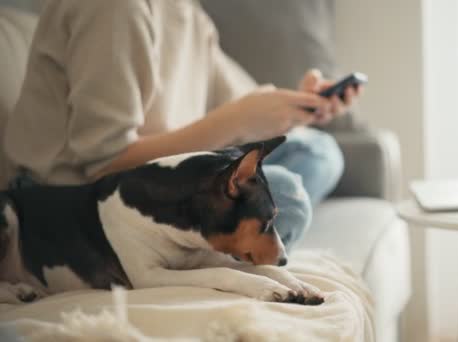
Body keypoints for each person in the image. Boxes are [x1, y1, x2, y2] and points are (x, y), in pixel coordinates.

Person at [3, 0, 361, 249]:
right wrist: (236, 120)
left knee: (318, 151)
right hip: (72, 202)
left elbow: (249, 108)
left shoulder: (188, 13)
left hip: (163, 179)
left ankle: (218, 246)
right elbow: (104, 164)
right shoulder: (113, 8)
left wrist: (299, 107)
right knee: (285, 196)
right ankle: (227, 252)